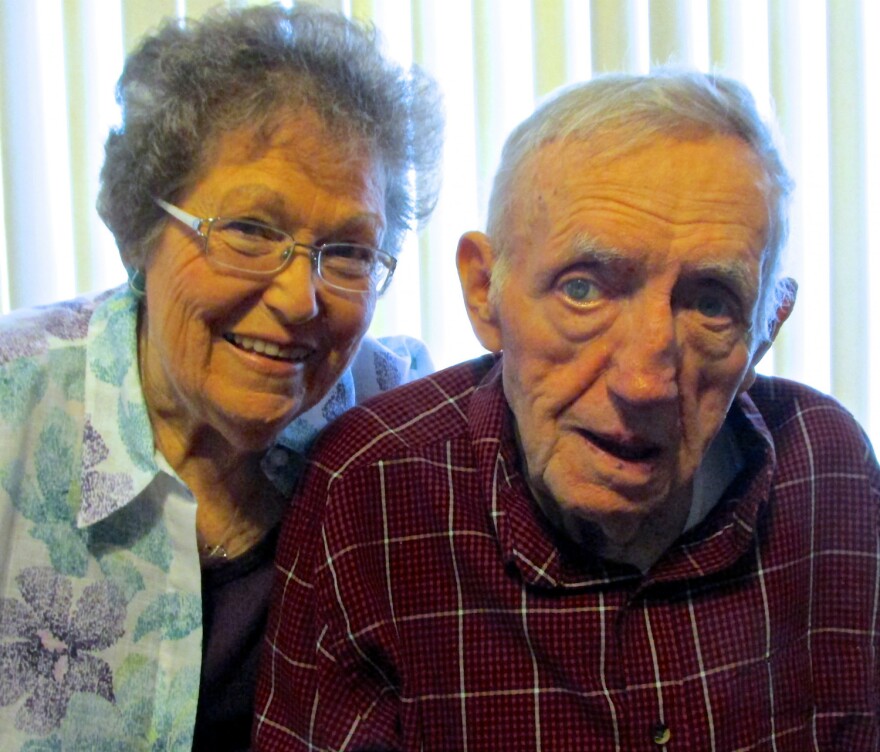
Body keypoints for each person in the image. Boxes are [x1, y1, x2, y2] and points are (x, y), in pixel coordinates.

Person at [253, 70, 880, 751]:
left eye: (710, 303)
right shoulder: (374, 491)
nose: (644, 383)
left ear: (767, 327)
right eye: (583, 289)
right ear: (484, 290)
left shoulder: (828, 472)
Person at [0, 3, 443, 750]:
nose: (299, 299)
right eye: (248, 230)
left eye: (349, 251)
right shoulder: (16, 406)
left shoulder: (397, 422)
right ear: (143, 224)